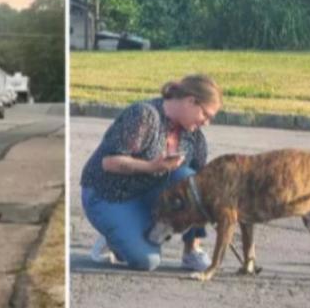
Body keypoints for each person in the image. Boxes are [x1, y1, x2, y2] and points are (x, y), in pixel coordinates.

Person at [80, 74, 221, 271]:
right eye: (206, 115)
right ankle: (114, 235)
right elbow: (108, 162)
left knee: (193, 183)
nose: (206, 123)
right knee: (147, 261)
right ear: (191, 101)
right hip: (106, 194)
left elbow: (198, 193)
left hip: (147, 192)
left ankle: (188, 252)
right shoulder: (144, 116)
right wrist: (152, 167)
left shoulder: (194, 138)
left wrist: (193, 244)